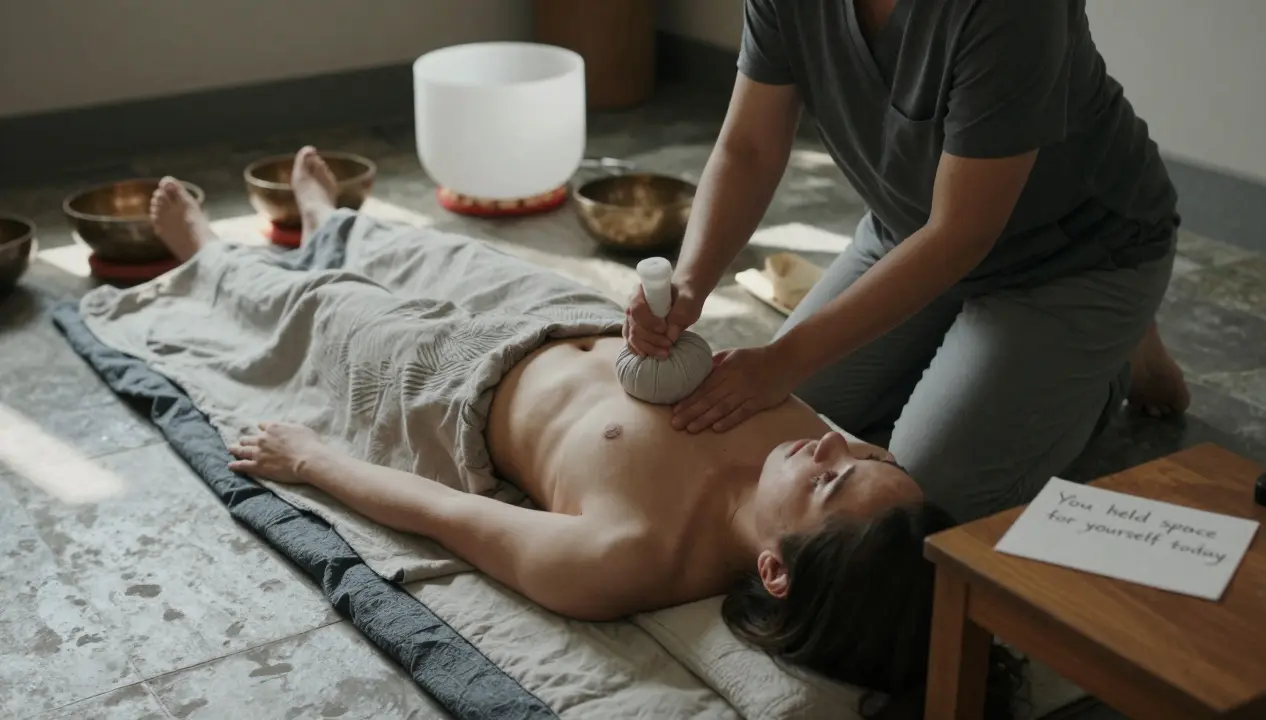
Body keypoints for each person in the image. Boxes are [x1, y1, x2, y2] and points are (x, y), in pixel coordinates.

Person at [145, 148, 1020, 716]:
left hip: (440, 388)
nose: (830, 444)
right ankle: (331, 222)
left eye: (832, 478)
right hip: (560, 312)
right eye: (866, 450)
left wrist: (316, 463)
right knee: (423, 251)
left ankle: (210, 260)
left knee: (319, 308)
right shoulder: (787, 429)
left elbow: (446, 517)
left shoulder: (631, 557)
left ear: (775, 568)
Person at [624, 0, 1192, 525]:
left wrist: (783, 360)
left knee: (917, 496)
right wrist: (689, 280)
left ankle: (1110, 354)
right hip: (909, 231)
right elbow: (748, 146)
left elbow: (960, 234)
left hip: (1074, 254)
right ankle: (1034, 349)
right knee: (775, 432)